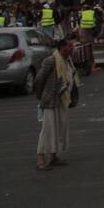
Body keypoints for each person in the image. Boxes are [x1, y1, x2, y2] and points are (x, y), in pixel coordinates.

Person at [34, 37, 77, 170]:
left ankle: (53, 156)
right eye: (69, 46)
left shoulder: (67, 61)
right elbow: (39, 79)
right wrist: (42, 95)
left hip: (62, 99)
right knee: (48, 129)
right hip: (50, 100)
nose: (72, 48)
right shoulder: (51, 60)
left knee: (59, 128)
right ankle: (40, 159)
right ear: (62, 47)